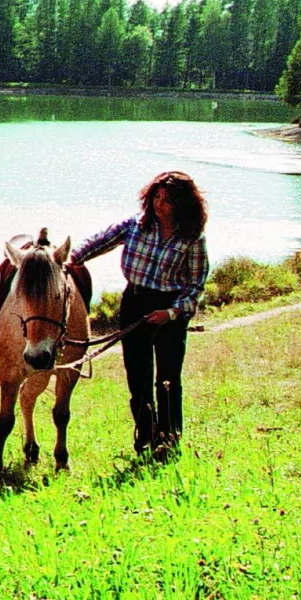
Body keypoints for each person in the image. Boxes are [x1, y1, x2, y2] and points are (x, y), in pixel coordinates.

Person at [71, 170, 209, 460]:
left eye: (168, 200)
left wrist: (171, 313)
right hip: (135, 301)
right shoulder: (136, 225)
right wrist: (71, 260)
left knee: (168, 380)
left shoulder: (193, 238)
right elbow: (101, 241)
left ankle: (169, 441)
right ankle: (146, 438)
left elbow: (195, 285)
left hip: (169, 310)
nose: (160, 205)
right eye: (156, 198)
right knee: (138, 379)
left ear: (183, 204)